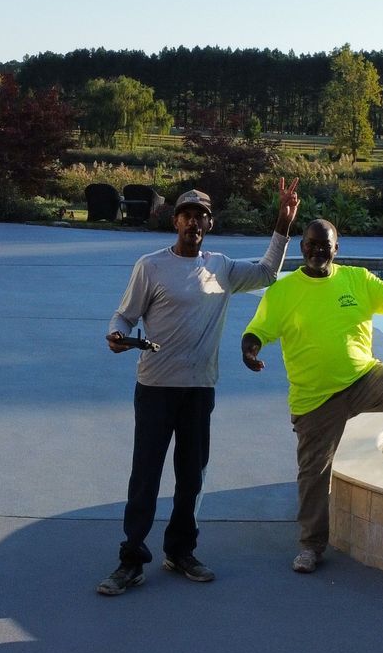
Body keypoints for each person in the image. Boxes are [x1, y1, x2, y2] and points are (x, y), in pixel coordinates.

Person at [96, 180, 301, 596]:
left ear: (209, 224)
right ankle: (131, 559)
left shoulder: (221, 267)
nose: (193, 222)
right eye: (186, 215)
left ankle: (180, 551)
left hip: (199, 389)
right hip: (156, 388)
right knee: (146, 476)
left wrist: (283, 222)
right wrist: (116, 335)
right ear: (175, 221)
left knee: (191, 477)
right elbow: (124, 316)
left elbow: (267, 273)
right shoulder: (151, 266)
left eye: (200, 216)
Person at [241, 219, 383, 574]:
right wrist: (250, 350)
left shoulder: (357, 279)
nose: (317, 250)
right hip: (315, 397)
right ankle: (311, 546)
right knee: (313, 474)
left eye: (324, 245)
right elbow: (258, 330)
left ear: (336, 249)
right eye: (311, 244)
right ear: (302, 247)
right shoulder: (282, 292)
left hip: (363, 378)